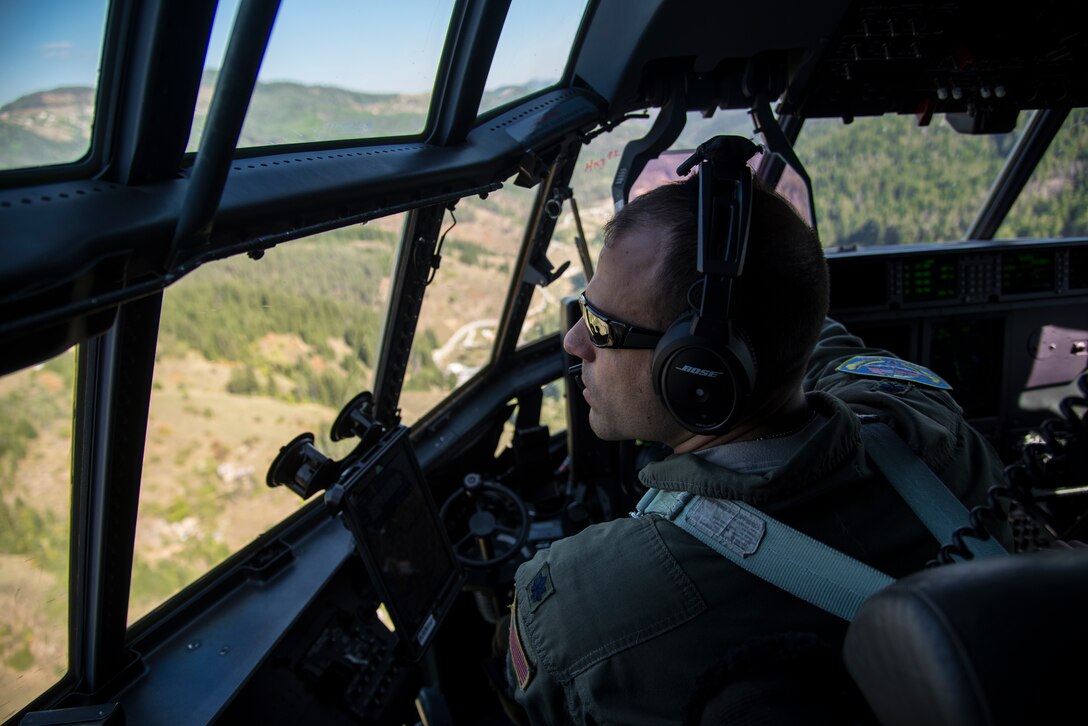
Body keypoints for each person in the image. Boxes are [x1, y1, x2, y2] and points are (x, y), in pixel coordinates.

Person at [501, 136, 1007, 725]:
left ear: (698, 375)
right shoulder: (934, 428)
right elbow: (821, 343)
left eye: (600, 325)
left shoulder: (580, 607)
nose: (573, 342)